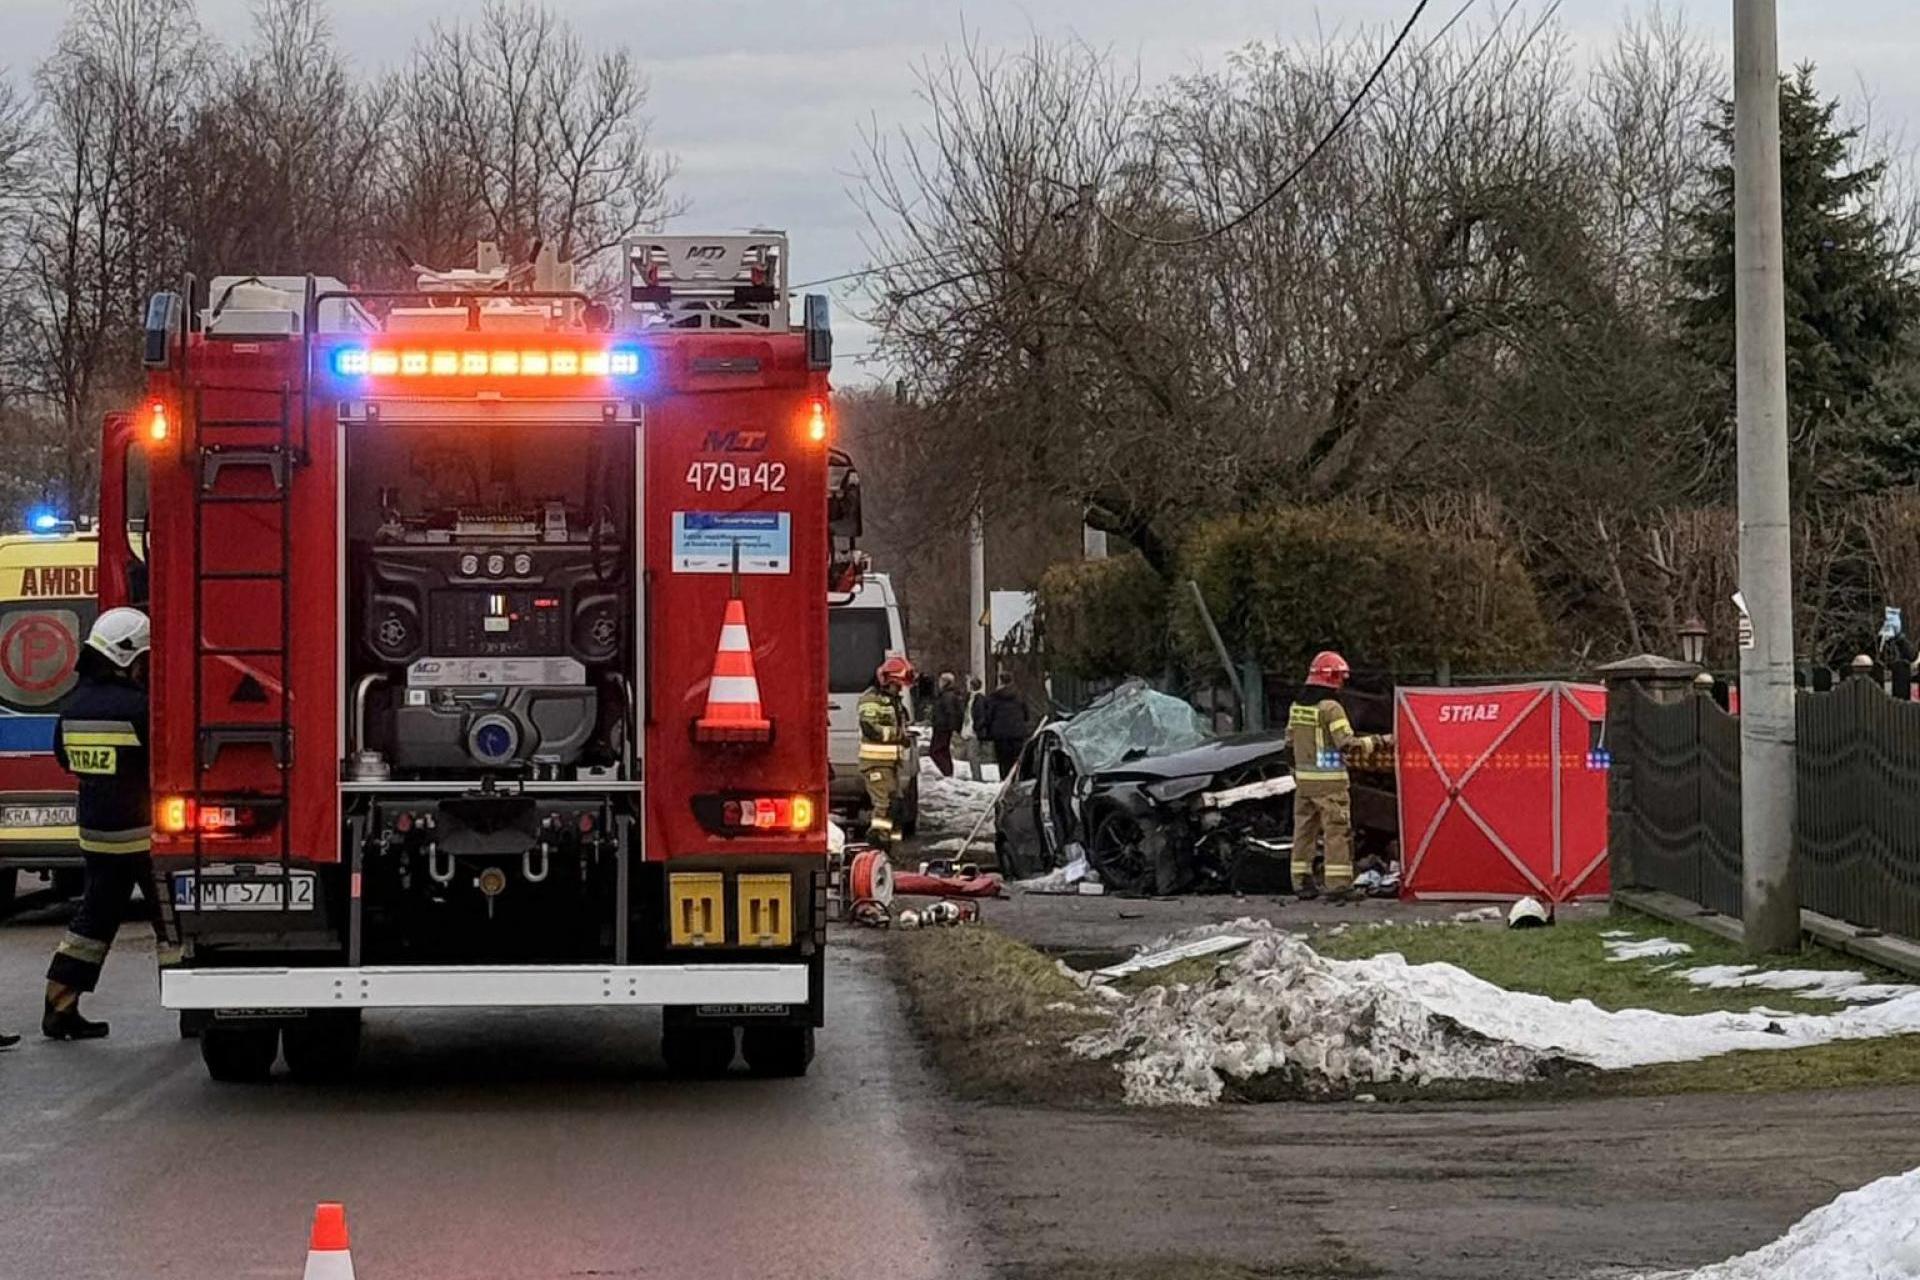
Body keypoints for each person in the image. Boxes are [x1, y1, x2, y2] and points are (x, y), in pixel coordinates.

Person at [43, 607, 155, 1040]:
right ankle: (196, 1016)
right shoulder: (141, 708)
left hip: (95, 834)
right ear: (128, 657)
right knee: (173, 925)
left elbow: (64, 759)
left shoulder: (72, 707)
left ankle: (59, 1007)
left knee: (90, 924)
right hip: (142, 835)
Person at [1286, 650, 1386, 902]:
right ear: (1332, 678)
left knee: (1304, 832)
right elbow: (1347, 745)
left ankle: (1301, 882)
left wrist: (1296, 772)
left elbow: (1288, 744)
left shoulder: (1297, 707)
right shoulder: (1331, 708)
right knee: (1336, 833)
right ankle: (1338, 886)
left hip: (1304, 783)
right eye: (1340, 678)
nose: (1342, 684)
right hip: (1329, 784)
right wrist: (1380, 741)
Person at [858, 654, 915, 849]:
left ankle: (891, 845)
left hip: (891, 764)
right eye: (897, 685)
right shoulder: (871, 699)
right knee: (884, 806)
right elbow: (871, 729)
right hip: (875, 764)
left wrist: (904, 735)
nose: (899, 689)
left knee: (896, 807)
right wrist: (899, 735)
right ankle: (878, 844)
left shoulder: (893, 701)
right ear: (886, 681)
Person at [984, 670, 1030, 780]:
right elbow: (1026, 715)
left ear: (1000, 682)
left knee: (1003, 760)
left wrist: (988, 729)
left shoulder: (995, 698)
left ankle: (1005, 779)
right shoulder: (1019, 696)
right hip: (1017, 733)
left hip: (1000, 734)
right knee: (1016, 758)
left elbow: (989, 715)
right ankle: (1015, 779)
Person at [928, 672, 965, 777]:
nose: (939, 683)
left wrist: (953, 728)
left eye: (941, 681)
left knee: (936, 751)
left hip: (943, 727)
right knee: (943, 751)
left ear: (945, 682)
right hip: (942, 726)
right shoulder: (946, 695)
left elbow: (951, 713)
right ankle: (948, 771)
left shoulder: (947, 696)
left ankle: (946, 771)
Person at [962, 676, 988, 781]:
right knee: (971, 754)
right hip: (969, 729)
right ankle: (975, 776)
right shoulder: (971, 697)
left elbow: (980, 715)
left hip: (974, 730)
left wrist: (977, 727)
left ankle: (977, 777)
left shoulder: (979, 699)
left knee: (973, 755)